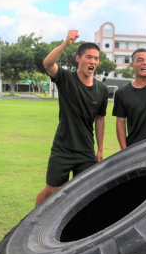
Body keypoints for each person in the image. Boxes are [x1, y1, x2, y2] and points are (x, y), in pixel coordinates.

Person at [35, 30, 108, 206]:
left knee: (83, 194)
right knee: (52, 191)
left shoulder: (102, 90)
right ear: (78, 58)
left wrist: (100, 149)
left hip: (86, 151)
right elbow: (48, 63)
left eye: (96, 58)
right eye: (89, 57)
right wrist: (65, 43)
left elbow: (100, 119)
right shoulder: (66, 78)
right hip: (63, 147)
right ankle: (30, 223)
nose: (92, 62)